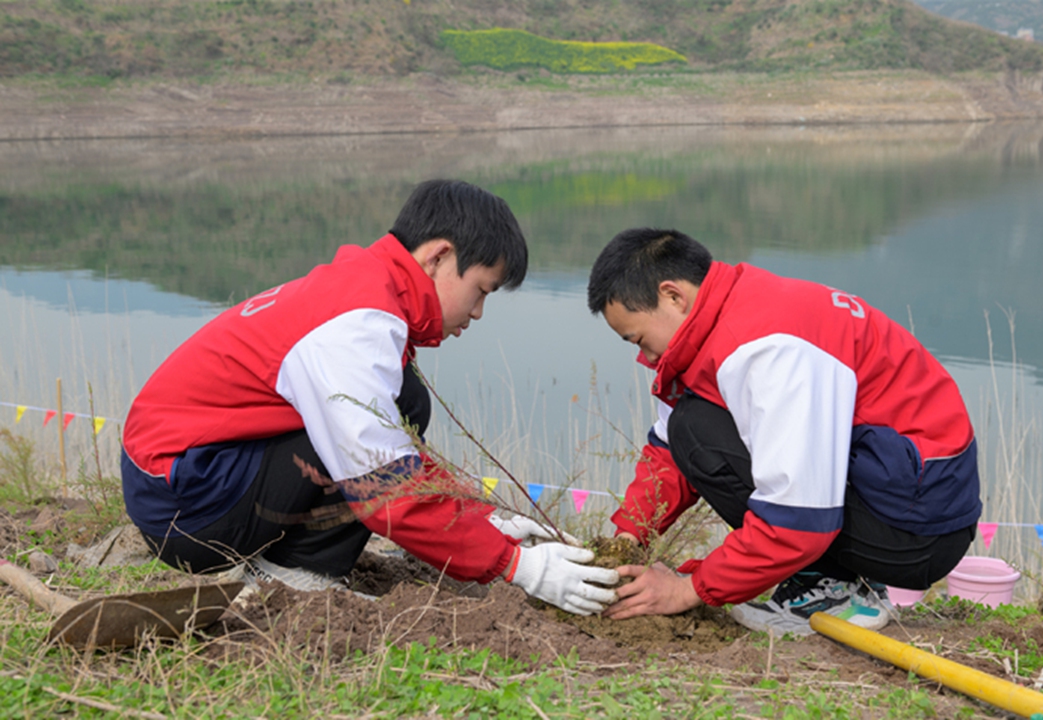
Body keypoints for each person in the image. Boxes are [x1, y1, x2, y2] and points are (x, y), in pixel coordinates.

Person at [121, 179, 618, 616]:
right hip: (185, 507)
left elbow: (389, 450)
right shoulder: (357, 325)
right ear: (439, 256)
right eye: (481, 290)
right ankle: (294, 578)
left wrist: (486, 517)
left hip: (195, 478)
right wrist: (520, 568)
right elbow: (383, 486)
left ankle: (290, 563)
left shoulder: (365, 289)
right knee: (368, 433)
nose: (480, 312)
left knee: (401, 402)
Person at [586, 228, 980, 635]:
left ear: (673, 296)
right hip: (889, 492)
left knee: (697, 431)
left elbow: (797, 519)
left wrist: (688, 590)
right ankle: (828, 579)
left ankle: (836, 590)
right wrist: (627, 538)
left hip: (918, 530)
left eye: (637, 337)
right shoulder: (729, 315)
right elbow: (670, 450)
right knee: (692, 425)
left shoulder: (769, 347)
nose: (642, 355)